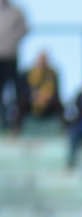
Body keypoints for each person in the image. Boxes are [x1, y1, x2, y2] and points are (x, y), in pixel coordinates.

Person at [0, 1, 25, 134]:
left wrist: (12, 41)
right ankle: (3, 122)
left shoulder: (16, 11)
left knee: (16, 91)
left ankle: (16, 122)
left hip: (11, 56)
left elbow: (24, 29)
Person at [20, 49, 59, 129]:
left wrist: (45, 96)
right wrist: (34, 96)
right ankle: (16, 129)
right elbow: (24, 90)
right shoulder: (28, 73)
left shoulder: (52, 74)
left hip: (48, 101)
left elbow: (55, 91)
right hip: (32, 101)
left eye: (44, 60)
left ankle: (64, 129)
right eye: (41, 60)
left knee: (58, 105)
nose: (42, 62)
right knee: (21, 103)